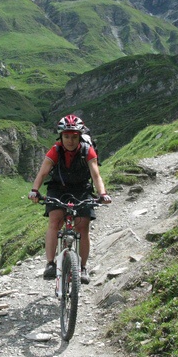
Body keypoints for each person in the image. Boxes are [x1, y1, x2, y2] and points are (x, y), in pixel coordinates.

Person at [28, 114, 112, 284]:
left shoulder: (87, 150)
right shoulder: (56, 150)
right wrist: (34, 190)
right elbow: (43, 173)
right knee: (55, 221)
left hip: (81, 188)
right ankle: (50, 264)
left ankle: (82, 268)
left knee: (83, 227)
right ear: (61, 136)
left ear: (80, 136)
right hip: (58, 188)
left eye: (74, 137)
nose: (70, 140)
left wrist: (102, 194)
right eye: (66, 136)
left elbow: (96, 175)